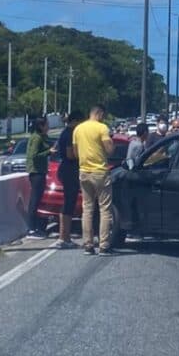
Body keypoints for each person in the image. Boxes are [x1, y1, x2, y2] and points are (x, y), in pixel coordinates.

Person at [72, 105, 115, 255]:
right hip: (100, 171)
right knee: (104, 209)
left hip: (84, 171)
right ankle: (104, 245)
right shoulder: (102, 128)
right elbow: (110, 149)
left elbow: (76, 153)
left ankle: (88, 244)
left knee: (87, 209)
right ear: (99, 113)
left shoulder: (78, 129)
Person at [55, 110, 84, 248]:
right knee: (69, 203)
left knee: (68, 203)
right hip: (69, 169)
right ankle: (64, 237)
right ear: (76, 121)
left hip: (65, 169)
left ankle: (64, 236)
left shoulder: (66, 132)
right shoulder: (70, 133)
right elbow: (70, 154)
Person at [24, 118, 52, 240]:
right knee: (34, 200)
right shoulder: (36, 138)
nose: (48, 127)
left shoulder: (41, 137)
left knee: (37, 199)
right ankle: (31, 228)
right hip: (36, 172)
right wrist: (48, 152)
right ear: (41, 126)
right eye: (46, 125)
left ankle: (35, 227)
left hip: (39, 171)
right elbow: (33, 155)